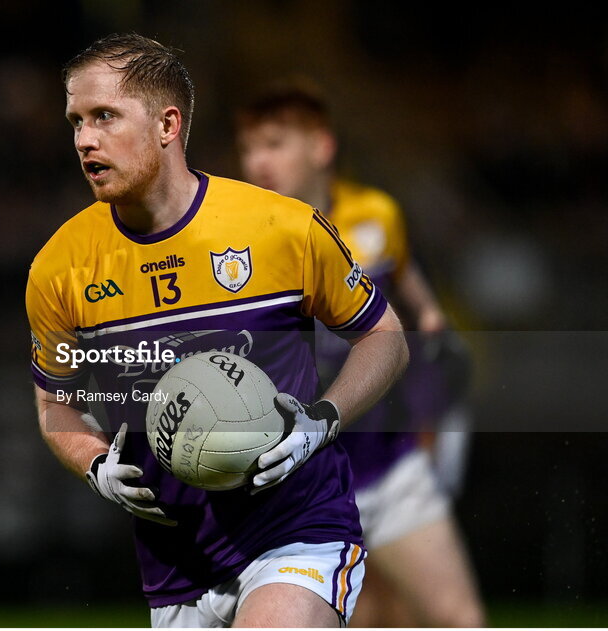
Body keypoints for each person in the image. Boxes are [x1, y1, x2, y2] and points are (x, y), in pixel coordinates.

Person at [26, 34, 408, 628]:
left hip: (297, 530)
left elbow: (385, 337)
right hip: (174, 568)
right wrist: (95, 464)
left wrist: (322, 421)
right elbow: (56, 402)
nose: (84, 139)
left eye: (105, 116)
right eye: (76, 120)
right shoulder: (59, 267)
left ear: (167, 124)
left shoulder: (283, 228)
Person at [235, 79, 485, 627]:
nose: (258, 161)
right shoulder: (239, 241)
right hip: (302, 488)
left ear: (321, 147)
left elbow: (412, 293)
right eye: (250, 147)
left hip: (389, 467)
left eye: (275, 143)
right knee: (366, 616)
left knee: (460, 620)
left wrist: (433, 322)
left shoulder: (376, 215)